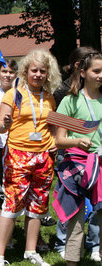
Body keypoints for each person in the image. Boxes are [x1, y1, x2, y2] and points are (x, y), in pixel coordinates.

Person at [0, 49, 61, 266]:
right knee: (11, 203)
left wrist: (55, 144)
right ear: (26, 71)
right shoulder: (13, 94)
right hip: (17, 154)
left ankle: (31, 251)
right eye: (34, 70)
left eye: (43, 71)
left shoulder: (49, 96)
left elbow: (51, 125)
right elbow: (1, 128)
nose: (38, 74)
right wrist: (5, 124)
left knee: (38, 203)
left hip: (43, 156)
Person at [53, 51, 102, 265]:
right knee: (76, 220)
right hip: (76, 166)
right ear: (82, 72)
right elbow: (59, 140)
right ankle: (72, 261)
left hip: (100, 165)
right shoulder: (69, 100)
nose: (101, 75)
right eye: (96, 71)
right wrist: (77, 142)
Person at [0, 60, 18, 220]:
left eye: (11, 72)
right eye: (4, 71)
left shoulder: (20, 93)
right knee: (0, 188)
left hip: (17, 145)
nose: (8, 75)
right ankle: (3, 228)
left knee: (16, 187)